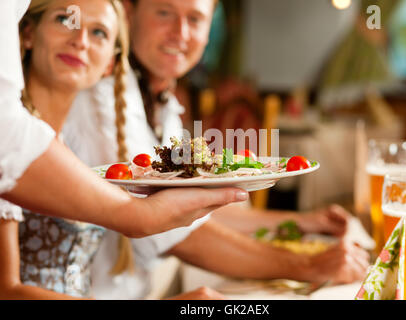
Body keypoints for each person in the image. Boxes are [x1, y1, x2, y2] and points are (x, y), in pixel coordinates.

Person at [63, 0, 370, 299]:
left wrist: (302, 222)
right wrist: (307, 265)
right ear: (129, 14)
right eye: (164, 12)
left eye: (195, 19)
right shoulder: (100, 99)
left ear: (210, 29)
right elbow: (171, 233)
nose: (180, 32)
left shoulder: (163, 104)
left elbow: (193, 211)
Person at [0, 0, 249, 300]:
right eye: (66, 20)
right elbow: (7, 291)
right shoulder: (14, 149)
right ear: (27, 33)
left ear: (110, 63)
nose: (80, 41)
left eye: (99, 33)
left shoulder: (66, 145)